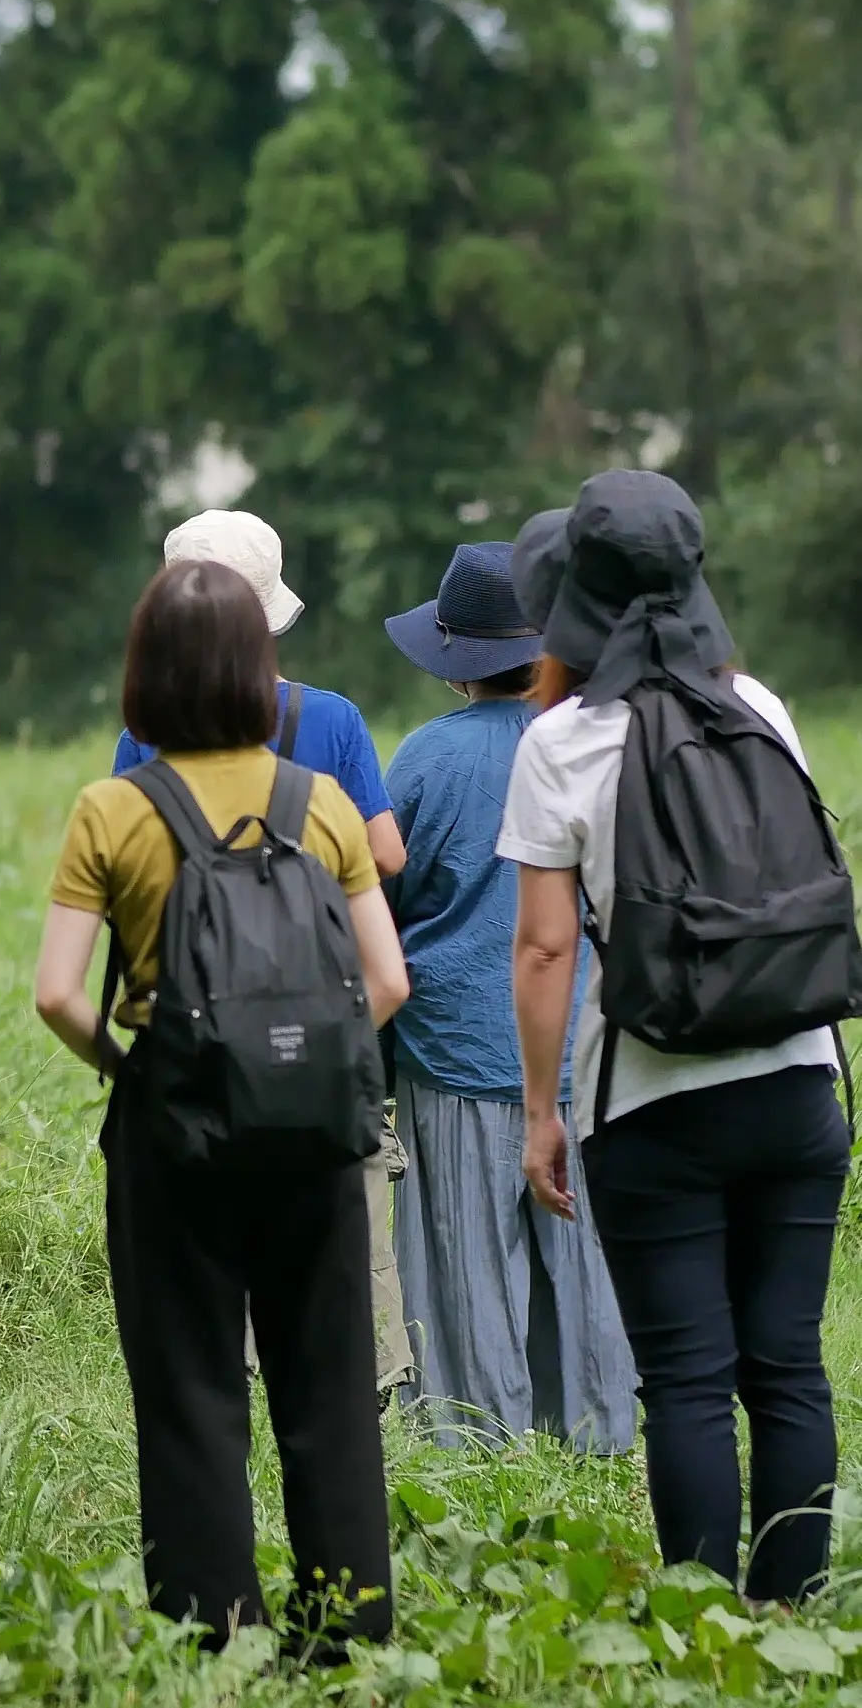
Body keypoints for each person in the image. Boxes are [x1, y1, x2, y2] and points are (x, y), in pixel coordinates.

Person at [32, 558, 413, 1652]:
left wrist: (133, 1069)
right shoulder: (324, 801)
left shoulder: (112, 808)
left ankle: (213, 1623)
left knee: (191, 1378)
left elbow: (57, 992)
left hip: (173, 1127)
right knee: (329, 1379)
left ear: (144, 675)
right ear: (259, 670)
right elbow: (386, 980)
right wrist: (306, 1064)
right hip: (316, 1134)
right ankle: (346, 1626)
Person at [509, 470, 852, 1608]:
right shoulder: (760, 708)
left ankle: (707, 1631)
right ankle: (791, 1617)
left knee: (689, 1384)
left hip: (652, 1097)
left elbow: (546, 952)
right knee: (789, 1369)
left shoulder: (559, 742)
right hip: (800, 1082)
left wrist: (542, 1114)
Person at [374, 539, 635, 1454]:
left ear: (455, 663)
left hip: (454, 1056)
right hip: (586, 1054)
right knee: (587, 1263)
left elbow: (382, 899)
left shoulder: (423, 760)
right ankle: (600, 1439)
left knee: (463, 1268)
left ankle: (477, 1444)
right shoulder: (596, 745)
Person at [110, 508, 414, 877]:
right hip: (305, 932)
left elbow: (121, 869)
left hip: (180, 932)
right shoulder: (334, 719)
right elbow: (386, 855)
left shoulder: (144, 736)